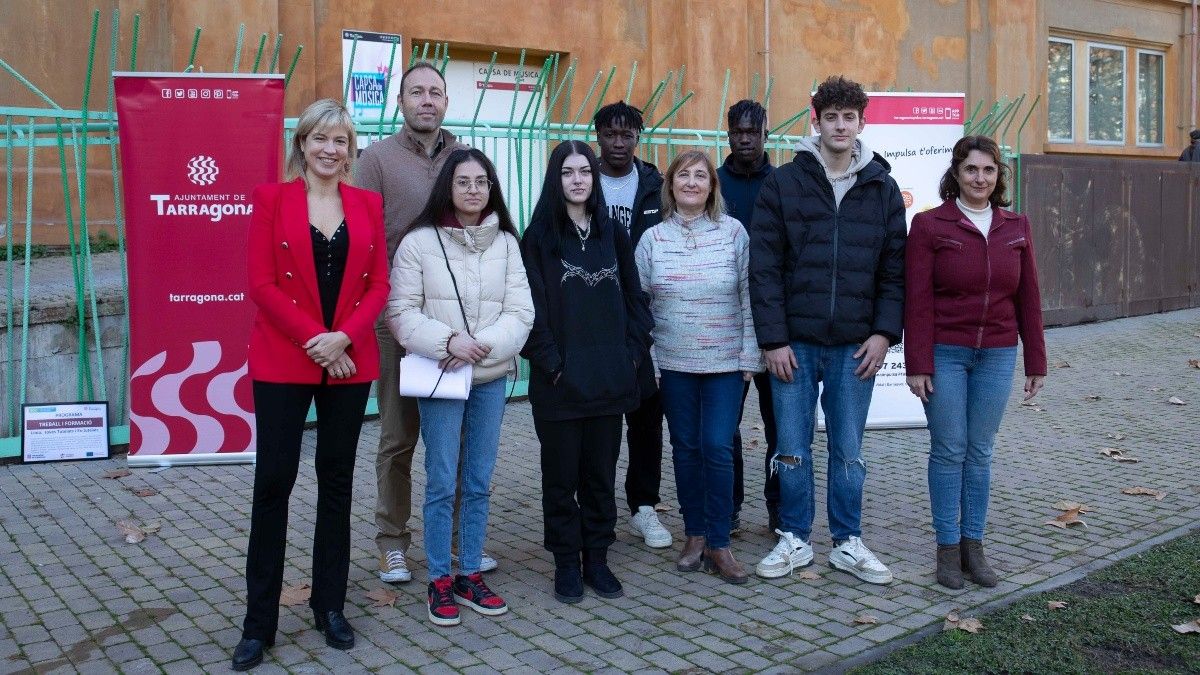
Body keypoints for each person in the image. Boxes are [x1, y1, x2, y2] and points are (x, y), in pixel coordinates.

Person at [233, 99, 389, 670]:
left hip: (348, 361)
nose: (331, 150)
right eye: (320, 139)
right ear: (301, 144)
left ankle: (330, 607)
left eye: (341, 141)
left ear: (350, 150)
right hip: (285, 360)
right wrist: (317, 339)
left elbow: (378, 284)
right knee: (273, 484)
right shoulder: (270, 200)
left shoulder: (367, 204)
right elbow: (262, 285)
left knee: (337, 483)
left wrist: (343, 337)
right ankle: (259, 623)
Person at [748, 75, 906, 584]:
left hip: (855, 347)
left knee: (849, 450)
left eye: (849, 117)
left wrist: (884, 334)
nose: (840, 125)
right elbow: (764, 266)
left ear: (862, 122)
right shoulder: (784, 182)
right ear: (816, 120)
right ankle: (794, 537)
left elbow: (893, 271)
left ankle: (847, 541)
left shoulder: (881, 187)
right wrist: (772, 339)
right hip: (794, 343)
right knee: (791, 447)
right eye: (831, 116)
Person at [357, 62, 500, 584]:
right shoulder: (375, 161)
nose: (426, 100)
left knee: (458, 441)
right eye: (416, 92)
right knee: (398, 437)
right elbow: (362, 240)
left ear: (445, 101)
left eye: (435, 92)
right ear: (401, 101)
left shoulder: (463, 158)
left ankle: (463, 542)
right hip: (399, 323)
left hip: (461, 325)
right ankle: (392, 541)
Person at [386, 148, 533, 626]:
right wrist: (449, 341)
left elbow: (521, 313)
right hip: (441, 376)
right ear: (447, 187)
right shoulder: (418, 242)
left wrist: (479, 346)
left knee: (477, 481)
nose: (474, 190)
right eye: (464, 181)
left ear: (492, 188)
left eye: (482, 182)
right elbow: (401, 313)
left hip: (488, 378)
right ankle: (439, 581)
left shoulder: (508, 243)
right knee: (441, 480)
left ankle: (470, 572)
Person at [905, 135, 1047, 590]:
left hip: (998, 354)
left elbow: (1029, 297)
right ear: (956, 173)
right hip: (945, 352)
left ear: (998, 175)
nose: (980, 178)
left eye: (988, 170)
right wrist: (918, 362)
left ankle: (974, 547)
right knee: (949, 449)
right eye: (971, 169)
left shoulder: (1017, 226)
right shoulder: (930, 225)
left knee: (980, 452)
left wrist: (1036, 360)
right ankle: (947, 549)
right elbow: (918, 300)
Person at [521, 141, 654, 603]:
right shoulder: (537, 239)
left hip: (608, 382)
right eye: (567, 172)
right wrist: (553, 366)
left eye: (585, 172)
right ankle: (565, 562)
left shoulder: (614, 235)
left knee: (600, 476)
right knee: (561, 480)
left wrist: (632, 356)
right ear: (555, 180)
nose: (577, 180)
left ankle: (596, 558)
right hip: (559, 386)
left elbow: (637, 302)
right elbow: (529, 312)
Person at [636, 150, 763, 584]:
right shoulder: (653, 239)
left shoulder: (734, 233)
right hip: (672, 362)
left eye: (700, 176)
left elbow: (750, 295)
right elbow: (640, 306)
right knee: (685, 447)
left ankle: (719, 542)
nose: (691, 182)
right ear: (670, 185)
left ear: (712, 186)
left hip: (726, 362)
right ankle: (694, 534)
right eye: (683, 176)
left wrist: (750, 354)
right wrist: (649, 359)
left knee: (717, 445)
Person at [593, 101, 672, 550]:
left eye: (627, 135)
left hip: (644, 322)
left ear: (638, 137)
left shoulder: (654, 185)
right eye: (610, 134)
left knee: (646, 420)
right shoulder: (581, 179)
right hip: (597, 321)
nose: (618, 143)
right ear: (598, 135)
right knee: (603, 423)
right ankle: (599, 508)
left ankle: (644, 507)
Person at [717, 99, 781, 533]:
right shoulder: (713, 184)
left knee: (781, 424)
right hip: (725, 322)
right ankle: (730, 507)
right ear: (727, 134)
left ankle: (779, 508)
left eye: (752, 132)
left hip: (776, 323)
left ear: (764, 135)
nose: (745, 138)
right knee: (727, 424)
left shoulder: (783, 184)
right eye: (738, 131)